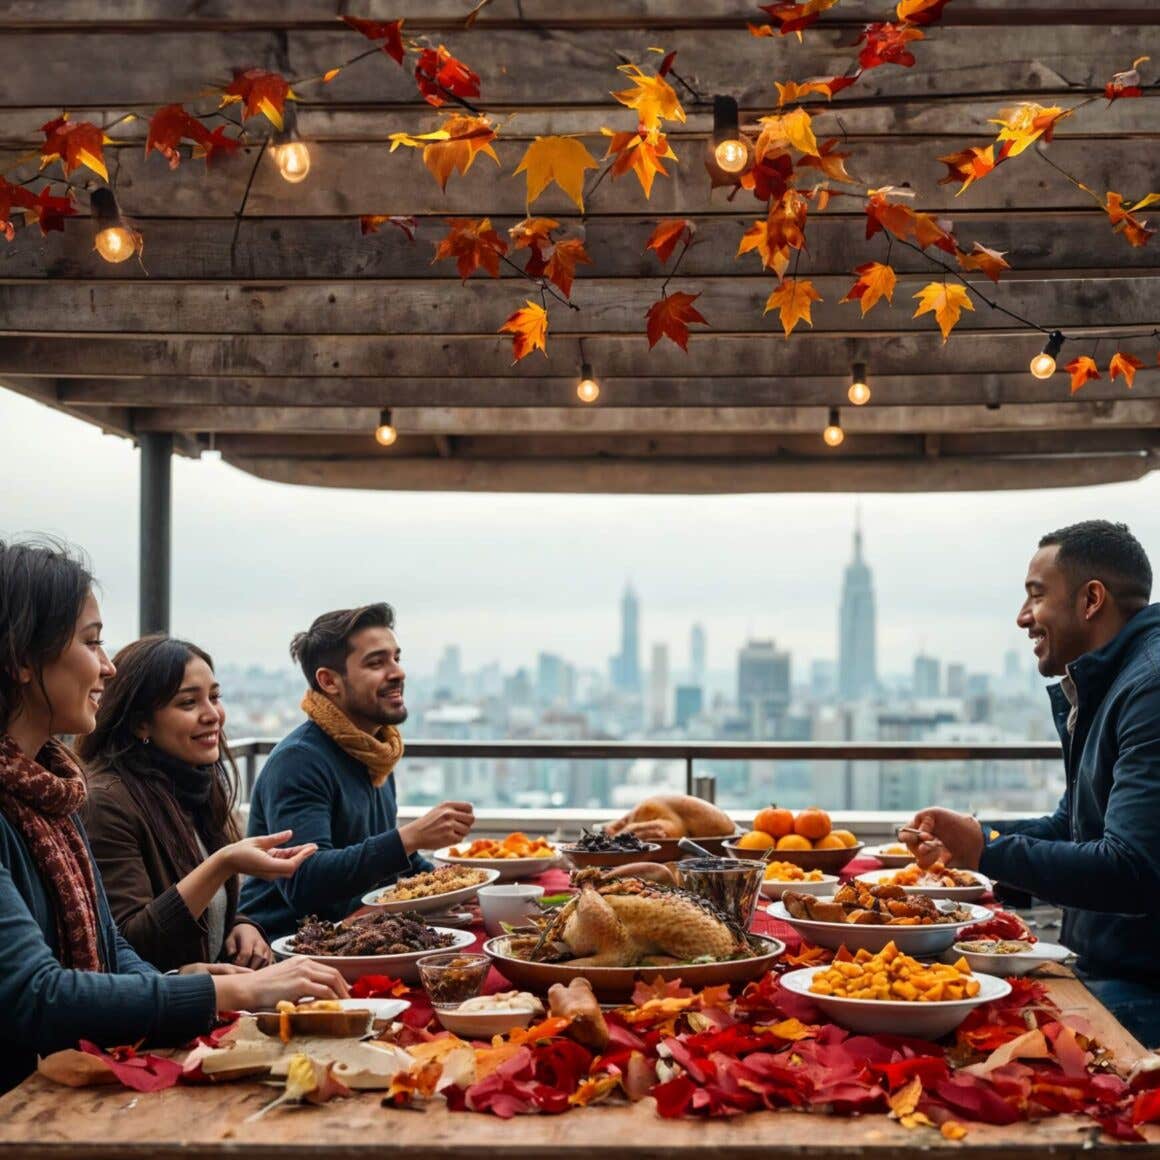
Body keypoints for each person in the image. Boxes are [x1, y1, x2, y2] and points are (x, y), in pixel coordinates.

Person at [0, 538, 349, 1093]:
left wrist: (177, 982)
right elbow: (33, 995)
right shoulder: (86, 797)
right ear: (21, 659)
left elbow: (111, 947)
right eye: (92, 643)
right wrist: (223, 993)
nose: (107, 666)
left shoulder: (55, 791)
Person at [902, 520, 1160, 1047]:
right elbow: (1072, 827)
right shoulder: (1112, 681)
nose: (1023, 618)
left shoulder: (1150, 688)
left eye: (1036, 597)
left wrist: (987, 850)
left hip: (1141, 993)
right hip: (1102, 969)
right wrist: (973, 839)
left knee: (947, 1034)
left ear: (1091, 600)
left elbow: (1132, 871)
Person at [241, 603, 475, 938]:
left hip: (359, 934)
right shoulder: (299, 761)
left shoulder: (374, 749)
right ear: (329, 681)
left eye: (396, 658)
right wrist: (409, 837)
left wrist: (457, 885)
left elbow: (382, 865)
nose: (397, 672)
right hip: (288, 949)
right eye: (377, 663)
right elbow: (305, 880)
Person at [78, 635, 306, 972]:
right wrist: (222, 864)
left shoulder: (191, 786)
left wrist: (241, 925)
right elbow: (129, 946)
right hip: (161, 1018)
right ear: (141, 722)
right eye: (188, 703)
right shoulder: (107, 803)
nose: (212, 714)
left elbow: (203, 903)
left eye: (214, 697)